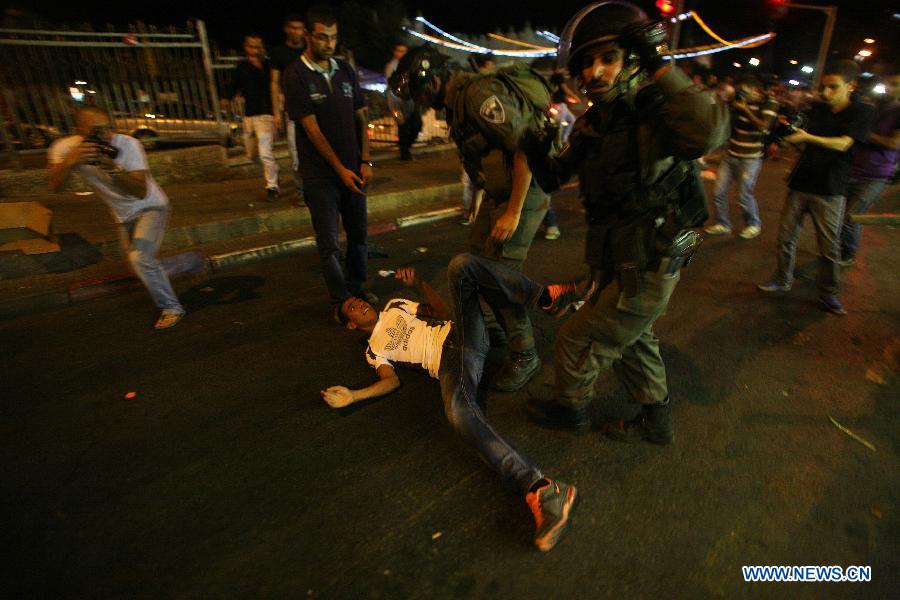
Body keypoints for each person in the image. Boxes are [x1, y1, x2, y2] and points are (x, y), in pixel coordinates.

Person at [525, 2, 729, 443]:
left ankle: (571, 409)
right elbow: (556, 176)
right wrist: (534, 147)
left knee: (578, 338)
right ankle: (656, 419)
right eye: (585, 64)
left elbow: (710, 131)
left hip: (661, 252)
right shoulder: (594, 124)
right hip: (624, 254)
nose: (594, 72)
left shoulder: (657, 110)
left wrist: (661, 65)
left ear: (633, 61)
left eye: (607, 59)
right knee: (635, 338)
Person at [323, 258, 583, 551]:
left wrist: (419, 284)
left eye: (358, 300)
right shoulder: (374, 351)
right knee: (458, 414)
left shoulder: (395, 305)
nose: (359, 304)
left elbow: (443, 312)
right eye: (352, 308)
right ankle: (543, 489)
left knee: (461, 266)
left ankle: (547, 297)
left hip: (461, 332)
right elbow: (390, 381)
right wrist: (353, 395)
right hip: (450, 363)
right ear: (351, 325)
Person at [390, 46, 556, 393]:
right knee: (475, 263)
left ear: (434, 80)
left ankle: (525, 353)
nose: (420, 103)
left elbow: (527, 145)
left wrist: (512, 211)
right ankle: (493, 329)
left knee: (500, 275)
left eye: (420, 94)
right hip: (501, 194)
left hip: (524, 191)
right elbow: (483, 160)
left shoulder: (479, 95)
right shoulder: (458, 103)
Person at [47, 106, 186, 330]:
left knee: (140, 259)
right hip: (123, 215)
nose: (105, 136)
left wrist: (111, 168)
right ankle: (186, 263)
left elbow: (141, 191)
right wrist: (70, 161)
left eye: (107, 128)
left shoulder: (128, 145)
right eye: (96, 131)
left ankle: (172, 307)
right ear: (79, 131)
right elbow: (54, 186)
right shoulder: (65, 148)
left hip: (152, 206)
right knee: (138, 264)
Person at [758, 60, 875, 315]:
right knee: (785, 238)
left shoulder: (861, 112)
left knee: (829, 247)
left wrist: (806, 137)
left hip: (831, 188)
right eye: (824, 87)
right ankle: (782, 279)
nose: (826, 92)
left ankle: (828, 293)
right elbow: (801, 142)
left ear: (850, 86)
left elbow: (844, 144)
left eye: (834, 87)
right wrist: (786, 138)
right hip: (801, 182)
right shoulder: (817, 110)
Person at [283, 5, 376, 318]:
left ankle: (358, 288)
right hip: (320, 176)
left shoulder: (345, 69)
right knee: (329, 245)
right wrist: (340, 170)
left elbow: (362, 117)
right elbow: (311, 128)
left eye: (333, 38)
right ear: (308, 36)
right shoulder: (295, 75)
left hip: (355, 170)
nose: (329, 44)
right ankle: (341, 300)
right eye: (322, 38)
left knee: (360, 236)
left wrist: (365, 161)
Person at [704, 74, 778, 239]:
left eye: (745, 92)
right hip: (731, 155)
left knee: (743, 194)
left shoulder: (769, 103)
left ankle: (753, 224)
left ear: (755, 90)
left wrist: (744, 109)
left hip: (750, 158)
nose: (742, 95)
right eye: (740, 92)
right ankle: (722, 223)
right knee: (718, 191)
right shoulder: (736, 101)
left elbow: (764, 127)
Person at [838, 71, 900, 266]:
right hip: (853, 168)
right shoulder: (872, 108)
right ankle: (839, 250)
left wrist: (863, 133)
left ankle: (847, 255)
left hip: (877, 174)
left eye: (895, 84)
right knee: (840, 215)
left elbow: (893, 143)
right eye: (887, 83)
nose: (888, 88)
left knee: (851, 216)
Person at [222, 34, 280, 200]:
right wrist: (227, 98)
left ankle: (272, 186)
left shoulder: (269, 66)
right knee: (251, 154)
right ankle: (273, 172)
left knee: (265, 152)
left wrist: (277, 112)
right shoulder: (242, 66)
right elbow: (234, 85)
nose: (255, 50)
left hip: (266, 114)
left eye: (258, 47)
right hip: (249, 115)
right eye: (251, 46)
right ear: (246, 47)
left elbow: (276, 87)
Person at [269, 14, 307, 194]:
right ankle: (302, 189)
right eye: (293, 27)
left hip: (314, 107)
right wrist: (276, 110)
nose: (296, 32)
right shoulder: (278, 53)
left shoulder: (309, 49)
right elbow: (274, 82)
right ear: (286, 29)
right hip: (293, 109)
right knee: (295, 152)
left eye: (299, 28)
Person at [385, 42, 420, 161]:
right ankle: (405, 153)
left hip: (410, 101)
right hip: (396, 101)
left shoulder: (411, 65)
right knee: (403, 127)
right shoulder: (392, 66)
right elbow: (392, 86)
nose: (402, 54)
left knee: (417, 124)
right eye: (399, 51)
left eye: (404, 51)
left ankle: (406, 149)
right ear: (395, 52)